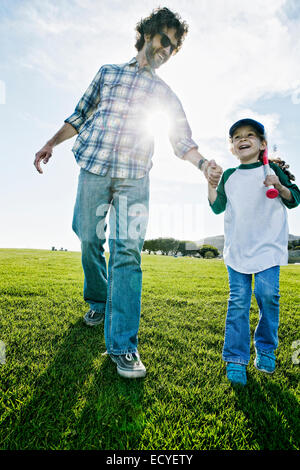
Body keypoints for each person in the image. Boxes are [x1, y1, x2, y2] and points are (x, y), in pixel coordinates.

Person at [33, 7, 222, 379]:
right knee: (88, 238)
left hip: (135, 177)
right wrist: (50, 143)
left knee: (127, 252)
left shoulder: (165, 92)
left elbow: (181, 140)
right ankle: (98, 299)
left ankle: (123, 345)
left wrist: (203, 165)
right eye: (163, 39)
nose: (166, 49)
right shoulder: (107, 74)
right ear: (146, 35)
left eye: (173, 46)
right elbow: (79, 114)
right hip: (94, 168)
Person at [208, 118, 300, 386]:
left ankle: (266, 348)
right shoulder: (230, 176)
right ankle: (236, 358)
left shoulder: (271, 170)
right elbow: (217, 207)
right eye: (237, 137)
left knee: (267, 294)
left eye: (250, 135)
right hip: (238, 248)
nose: (243, 139)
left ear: (262, 144)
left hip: (268, 247)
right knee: (238, 301)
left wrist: (279, 185)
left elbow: (294, 199)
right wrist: (210, 183)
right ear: (232, 147)